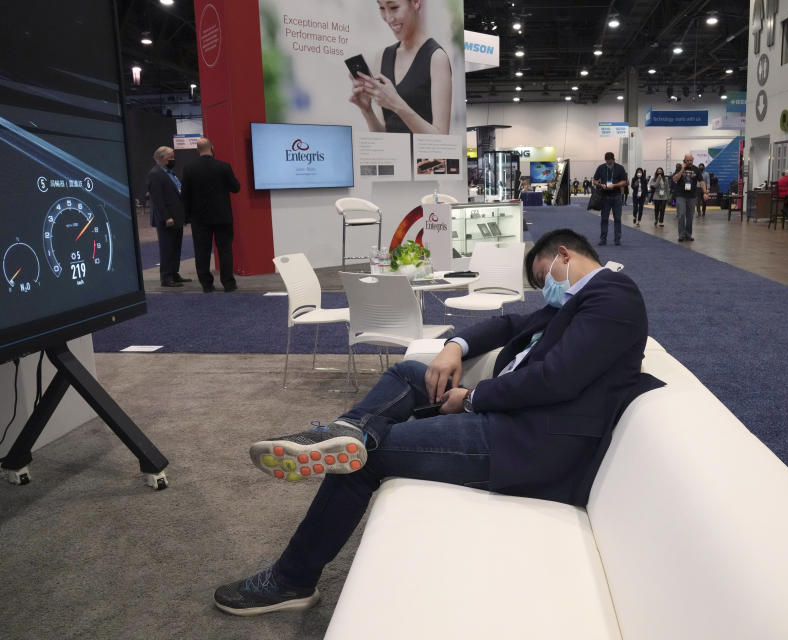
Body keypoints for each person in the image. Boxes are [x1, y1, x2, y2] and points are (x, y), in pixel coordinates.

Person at [212, 228, 662, 616]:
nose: (545, 288)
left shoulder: (613, 296)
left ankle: (292, 579)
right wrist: (454, 346)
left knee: (363, 460)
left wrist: (472, 399)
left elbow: (555, 380)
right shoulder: (574, 302)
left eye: (544, 277)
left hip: (527, 442)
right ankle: (349, 428)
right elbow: (509, 324)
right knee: (409, 374)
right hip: (508, 419)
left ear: (565, 256)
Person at [349, 0, 452, 135]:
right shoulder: (383, 57)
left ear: (415, 2)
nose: (389, 18)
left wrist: (397, 104)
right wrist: (367, 110)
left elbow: (441, 138)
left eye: (394, 7)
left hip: (424, 156)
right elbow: (385, 136)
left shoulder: (436, 58)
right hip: (391, 156)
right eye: (382, 8)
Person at [180, 138, 242, 293]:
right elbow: (236, 188)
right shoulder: (223, 167)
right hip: (223, 216)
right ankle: (228, 283)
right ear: (212, 148)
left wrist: (186, 216)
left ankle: (207, 284)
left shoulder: (189, 168)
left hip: (199, 218)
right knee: (225, 250)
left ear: (197, 150)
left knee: (202, 251)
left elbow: (185, 196)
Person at [146, 146, 190, 287]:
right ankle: (166, 277)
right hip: (167, 219)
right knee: (167, 248)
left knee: (176, 247)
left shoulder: (170, 173)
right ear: (161, 158)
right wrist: (166, 217)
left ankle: (174, 273)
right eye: (170, 157)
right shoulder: (155, 174)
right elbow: (157, 199)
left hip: (177, 217)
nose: (173, 159)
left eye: (173, 156)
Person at [592, 152, 629, 246]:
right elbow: (594, 180)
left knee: (617, 219)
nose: (608, 162)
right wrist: (600, 184)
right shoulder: (601, 168)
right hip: (604, 197)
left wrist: (615, 185)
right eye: (607, 161)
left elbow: (625, 181)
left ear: (614, 159)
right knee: (604, 219)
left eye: (610, 161)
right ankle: (603, 239)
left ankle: (617, 239)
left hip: (617, 196)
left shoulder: (620, 168)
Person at [671, 154, 705, 242]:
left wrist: (705, 192)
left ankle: (688, 234)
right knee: (681, 214)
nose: (689, 162)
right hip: (680, 195)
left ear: (693, 160)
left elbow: (701, 181)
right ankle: (681, 235)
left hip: (692, 196)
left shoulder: (696, 169)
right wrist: (682, 169)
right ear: (684, 160)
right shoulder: (679, 168)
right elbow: (675, 179)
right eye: (688, 160)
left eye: (691, 160)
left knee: (690, 216)